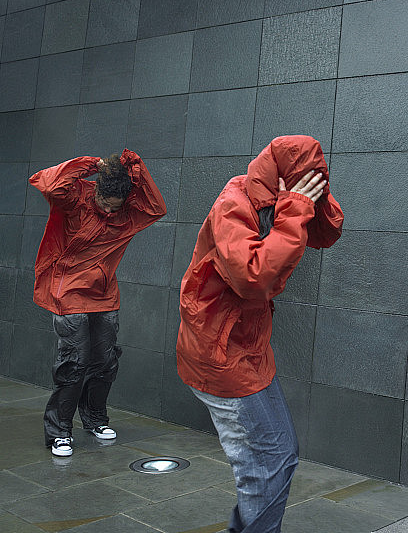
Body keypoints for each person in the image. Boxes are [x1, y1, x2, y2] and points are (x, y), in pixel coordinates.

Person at [176, 135, 344, 533]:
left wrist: (306, 202)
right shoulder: (232, 204)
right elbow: (254, 277)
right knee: (269, 461)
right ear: (282, 178)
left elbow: (326, 232)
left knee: (276, 457)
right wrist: (295, 207)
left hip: (246, 348)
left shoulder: (277, 198)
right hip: (219, 355)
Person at [30, 150, 167, 457]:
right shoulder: (77, 197)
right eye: (104, 203)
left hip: (104, 293)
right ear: (98, 191)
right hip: (68, 292)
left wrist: (135, 167)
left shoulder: (126, 213)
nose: (108, 210)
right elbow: (50, 185)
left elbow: (156, 207)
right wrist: (91, 165)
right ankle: (59, 430)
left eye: (113, 206)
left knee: (105, 361)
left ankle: (94, 418)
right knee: (74, 362)